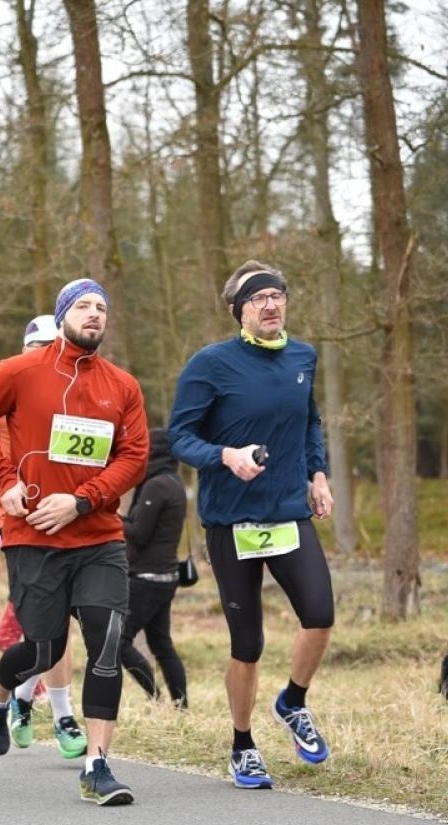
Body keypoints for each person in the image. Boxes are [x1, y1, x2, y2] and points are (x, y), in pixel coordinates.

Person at [0, 278, 149, 806]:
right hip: (33, 534)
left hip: (98, 534)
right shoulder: (21, 371)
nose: (94, 314)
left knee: (106, 639)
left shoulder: (122, 386)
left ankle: (98, 765)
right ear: (62, 315)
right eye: (83, 305)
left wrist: (83, 501)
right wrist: (4, 478)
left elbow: (134, 457)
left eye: (102, 307)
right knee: (43, 649)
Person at [168, 259, 335, 790]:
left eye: (277, 296)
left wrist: (319, 473)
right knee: (248, 643)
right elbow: (180, 437)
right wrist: (225, 456)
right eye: (258, 298)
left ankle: (292, 701)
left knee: (320, 615)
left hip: (288, 511)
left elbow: (310, 420)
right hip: (231, 521)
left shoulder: (303, 356)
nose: (270, 304)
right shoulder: (210, 364)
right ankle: (242, 744)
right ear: (239, 311)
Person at [0, 314, 90, 760]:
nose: (46, 353)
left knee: (62, 622)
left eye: (52, 344)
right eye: (37, 346)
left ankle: (60, 711)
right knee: (41, 629)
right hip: (22, 519)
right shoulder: (9, 381)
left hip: (68, 516)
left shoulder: (71, 392)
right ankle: (14, 693)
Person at [118, 427, 189, 706]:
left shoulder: (156, 485)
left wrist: (113, 517)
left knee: (120, 642)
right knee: (161, 645)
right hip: (166, 576)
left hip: (147, 578)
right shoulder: (173, 481)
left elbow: (138, 533)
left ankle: (155, 697)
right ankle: (180, 706)